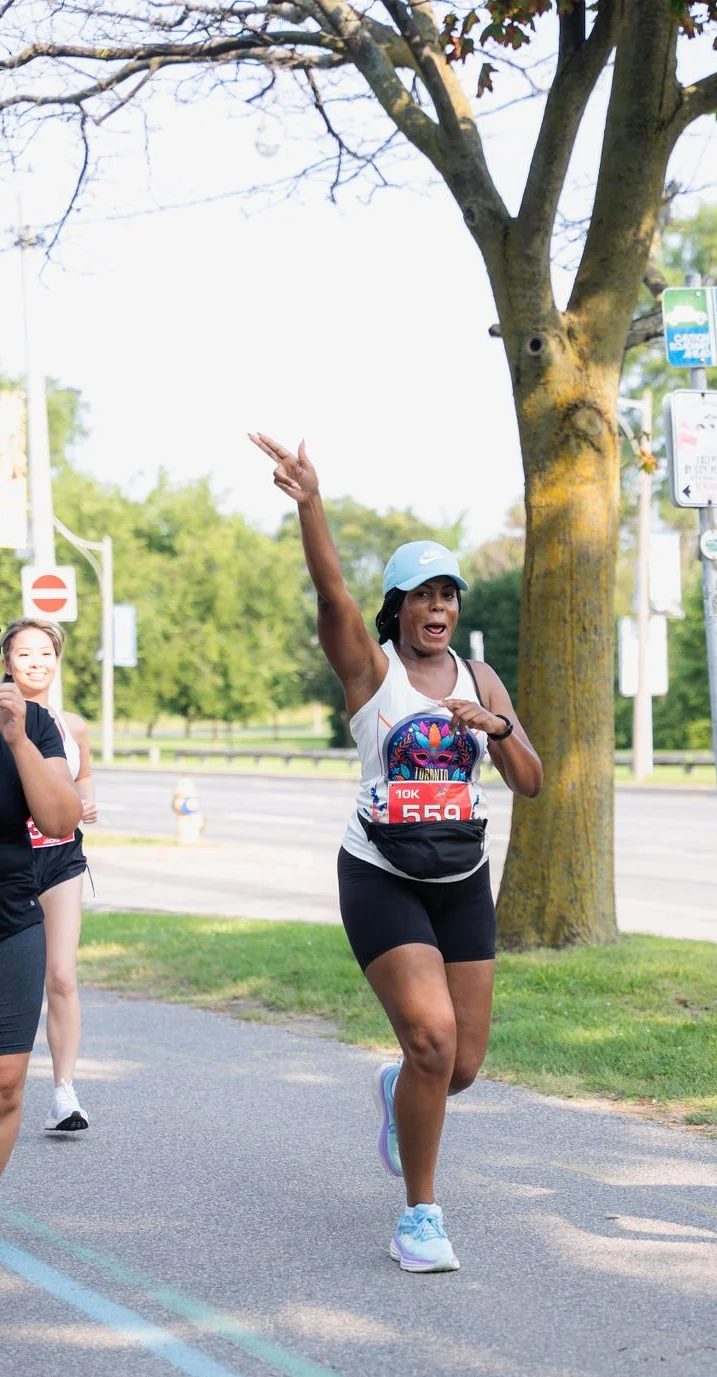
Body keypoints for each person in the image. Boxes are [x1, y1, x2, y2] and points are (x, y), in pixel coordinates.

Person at [250, 433, 543, 1273]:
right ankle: (420, 1215)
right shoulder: (368, 673)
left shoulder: (482, 680)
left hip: (460, 879)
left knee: (463, 1064)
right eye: (420, 595)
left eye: (447, 592)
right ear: (398, 610)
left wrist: (496, 728)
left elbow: (531, 780)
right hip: (380, 874)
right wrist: (310, 501)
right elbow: (330, 588)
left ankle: (397, 1091)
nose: (437, 606)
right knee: (430, 1041)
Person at [0, 590, 83, 1286]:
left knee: (3, 1086)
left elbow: (58, 819)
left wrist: (19, 738)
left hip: (9, 920)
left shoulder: (28, 720)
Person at [1, 619, 97, 1133]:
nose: (36, 662)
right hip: (10, 860)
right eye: (24, 654)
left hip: (59, 856)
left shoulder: (72, 722)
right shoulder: (2, 716)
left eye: (45, 652)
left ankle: (64, 1092)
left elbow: (82, 777)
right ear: (6, 661)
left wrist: (87, 800)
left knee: (61, 974)